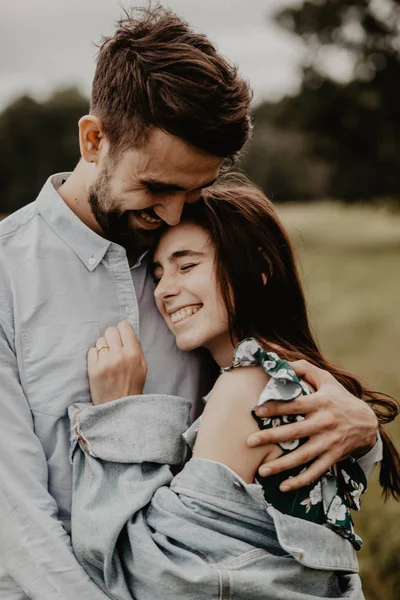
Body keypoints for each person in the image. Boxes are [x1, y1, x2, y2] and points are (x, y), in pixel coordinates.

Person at [0, 6, 381, 600]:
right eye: (156, 187)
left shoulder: (192, 259)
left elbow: (268, 376)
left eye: (194, 191)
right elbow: (15, 520)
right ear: (94, 139)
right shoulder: (6, 274)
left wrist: (362, 425)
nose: (173, 214)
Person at [69, 182, 400, 600]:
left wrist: (119, 417)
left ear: (260, 269)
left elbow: (157, 579)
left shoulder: (245, 387)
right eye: (158, 273)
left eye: (186, 266)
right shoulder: (293, 380)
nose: (164, 290)